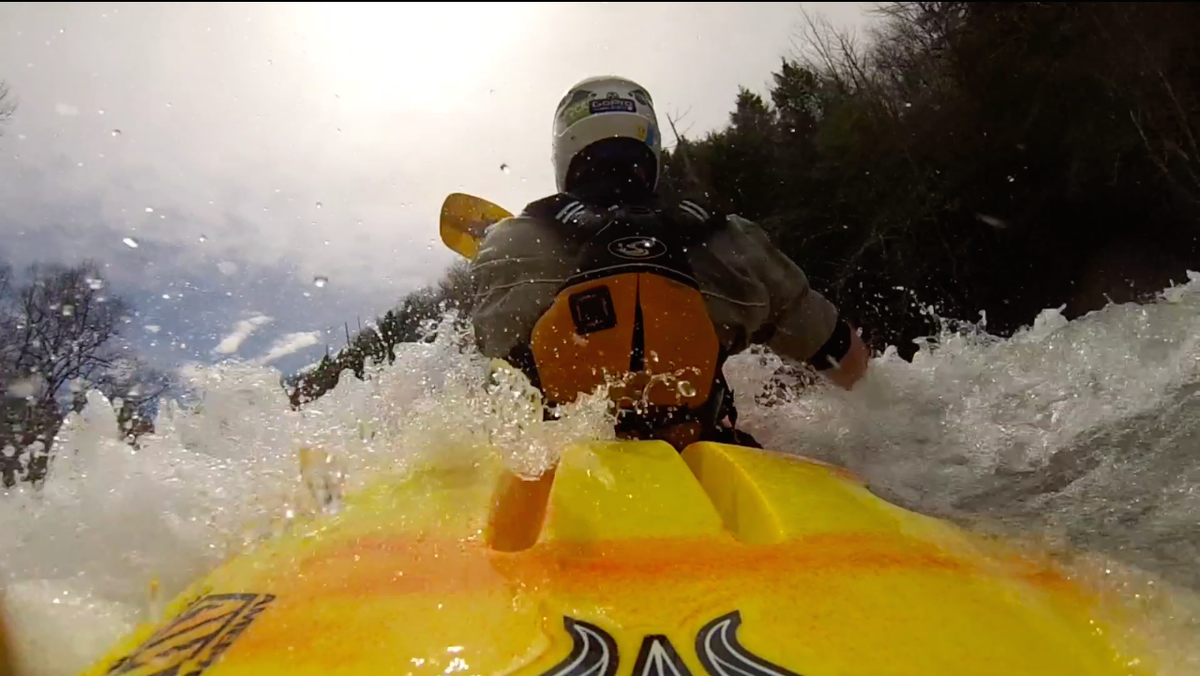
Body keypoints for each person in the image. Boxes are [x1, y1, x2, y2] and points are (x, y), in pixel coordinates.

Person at [469, 75, 870, 450]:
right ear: (649, 148)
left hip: (564, 465)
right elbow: (844, 361)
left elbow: (497, 373)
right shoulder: (731, 239)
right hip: (698, 457)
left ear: (566, 152)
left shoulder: (510, 243)